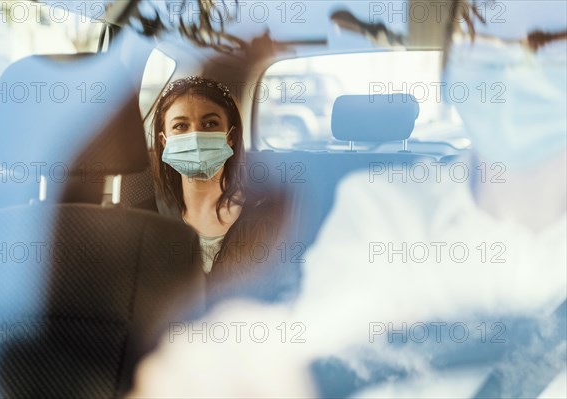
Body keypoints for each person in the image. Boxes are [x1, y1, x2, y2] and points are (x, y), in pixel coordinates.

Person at [130, 3, 566, 397]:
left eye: (548, 39)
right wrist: (242, 364)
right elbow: (322, 332)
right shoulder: (382, 208)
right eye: (486, 38)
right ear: (453, 62)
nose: (515, 61)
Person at [150, 76, 295, 305]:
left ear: (231, 137)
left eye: (210, 124)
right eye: (180, 126)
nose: (195, 136)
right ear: (164, 140)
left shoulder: (266, 217)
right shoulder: (149, 218)